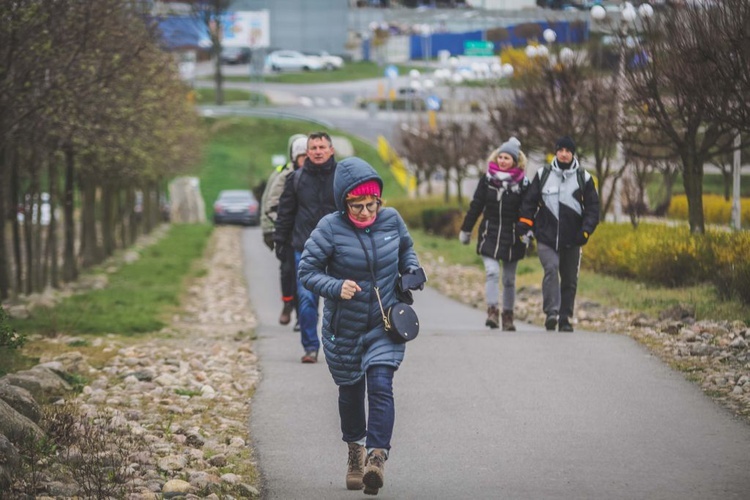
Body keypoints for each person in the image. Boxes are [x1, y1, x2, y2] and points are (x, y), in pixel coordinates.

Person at [298, 157, 421, 495]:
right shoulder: (329, 228)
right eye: (358, 206)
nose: (367, 212)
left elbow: (407, 251)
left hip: (385, 322)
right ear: (344, 203)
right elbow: (307, 272)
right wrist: (336, 287)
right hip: (345, 327)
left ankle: (377, 456)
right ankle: (355, 450)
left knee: (381, 383)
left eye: (372, 204)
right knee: (351, 393)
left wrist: (411, 272)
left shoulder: (392, 221)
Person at [517, 136, 600, 332]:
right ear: (556, 152)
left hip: (573, 239)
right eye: (560, 150)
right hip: (546, 236)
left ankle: (565, 318)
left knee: (570, 279)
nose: (564, 154)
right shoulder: (543, 174)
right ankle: (551, 313)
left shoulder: (584, 178)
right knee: (551, 269)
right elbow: (529, 202)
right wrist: (525, 224)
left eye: (568, 151)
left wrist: (586, 231)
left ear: (573, 154)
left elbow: (593, 209)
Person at [274, 131, 338, 363]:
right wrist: (280, 242)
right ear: (307, 153)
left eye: (322, 147)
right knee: (307, 299)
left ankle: (337, 347)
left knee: (338, 302)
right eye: (314, 148)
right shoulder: (296, 179)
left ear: (331, 150)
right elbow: (285, 213)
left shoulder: (343, 177)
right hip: (305, 247)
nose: (318, 152)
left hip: (337, 250)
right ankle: (310, 346)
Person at [459, 137, 530, 331]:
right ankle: (492, 311)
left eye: (507, 158)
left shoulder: (523, 184)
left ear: (515, 161)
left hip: (513, 236)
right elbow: (476, 205)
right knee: (492, 272)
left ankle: (508, 316)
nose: (503, 161)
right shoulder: (488, 180)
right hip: (489, 233)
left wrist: (527, 231)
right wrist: (466, 229)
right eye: (501, 157)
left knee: (509, 280)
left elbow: (528, 210)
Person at [260, 134, 307, 326]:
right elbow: (271, 205)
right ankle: (288, 304)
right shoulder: (284, 176)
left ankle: (303, 315)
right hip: (287, 233)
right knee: (288, 270)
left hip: (307, 232)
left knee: (305, 275)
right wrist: (277, 230)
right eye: (302, 155)